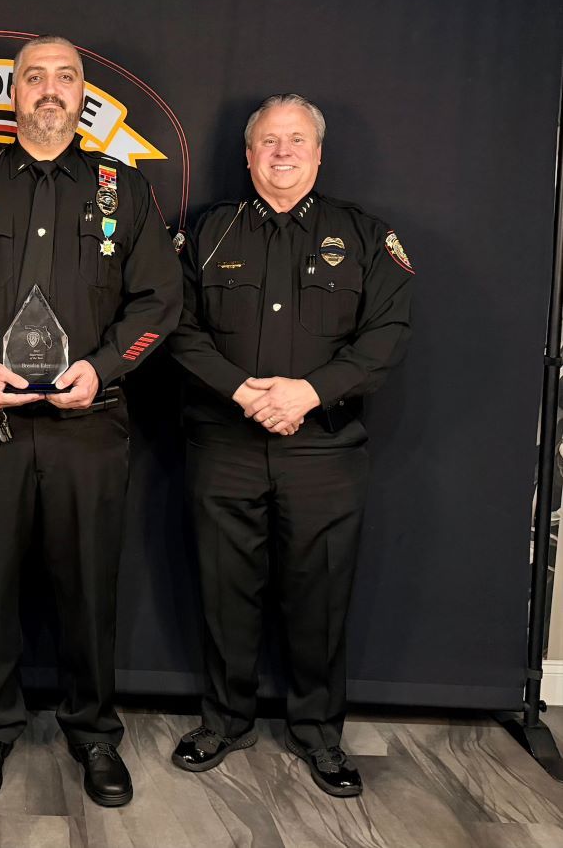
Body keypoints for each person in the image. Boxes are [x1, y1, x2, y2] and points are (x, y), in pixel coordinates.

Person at [0, 35, 182, 807]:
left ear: (81, 94)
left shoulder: (122, 191)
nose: (49, 90)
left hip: (89, 427)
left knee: (90, 587)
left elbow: (161, 299)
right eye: (35, 78)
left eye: (65, 78)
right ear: (14, 94)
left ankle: (93, 734)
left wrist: (107, 366)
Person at [168, 94, 413, 797]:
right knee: (223, 591)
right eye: (268, 141)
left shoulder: (365, 236)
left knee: (321, 596)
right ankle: (224, 720)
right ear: (247, 157)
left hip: (325, 450)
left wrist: (310, 392)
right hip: (225, 441)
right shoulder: (206, 234)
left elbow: (387, 335)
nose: (281, 152)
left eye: (295, 140)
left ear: (318, 153)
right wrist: (243, 391)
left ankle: (318, 734)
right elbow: (176, 328)